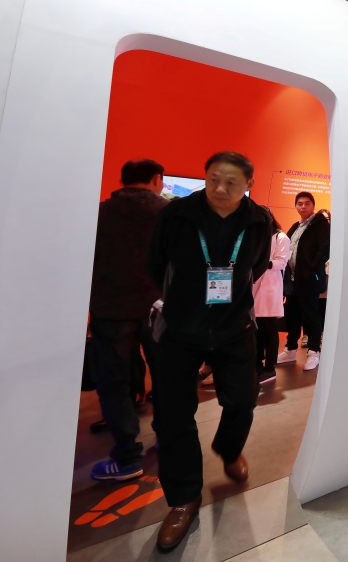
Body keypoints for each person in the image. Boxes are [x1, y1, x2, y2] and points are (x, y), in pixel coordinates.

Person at [147, 152, 272, 553]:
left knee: (242, 400)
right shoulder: (177, 215)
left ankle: (229, 449)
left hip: (235, 328)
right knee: (173, 417)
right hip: (181, 329)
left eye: (230, 182)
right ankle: (183, 499)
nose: (219, 188)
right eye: (213, 179)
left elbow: (259, 264)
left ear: (248, 185)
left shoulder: (258, 221)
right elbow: (155, 263)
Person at [89, 159, 170, 481]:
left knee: (114, 385)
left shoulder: (100, 213)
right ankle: (169, 437)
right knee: (167, 379)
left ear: (122, 181)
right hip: (160, 310)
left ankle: (126, 458)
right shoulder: (170, 215)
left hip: (111, 311)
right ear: (157, 179)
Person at [276, 192, 330, 372]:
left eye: (307, 203)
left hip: (310, 280)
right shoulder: (295, 226)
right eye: (299, 203)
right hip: (293, 280)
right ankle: (290, 349)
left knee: (311, 317)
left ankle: (314, 351)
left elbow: (324, 250)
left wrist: (310, 270)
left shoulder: (321, 225)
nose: (303, 206)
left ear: (313, 205)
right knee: (292, 316)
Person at [253, 209, 290, 384]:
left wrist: (263, 264)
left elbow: (282, 261)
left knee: (269, 329)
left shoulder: (281, 237)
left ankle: (270, 368)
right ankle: (257, 363)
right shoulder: (257, 236)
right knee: (257, 328)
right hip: (254, 287)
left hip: (270, 287)